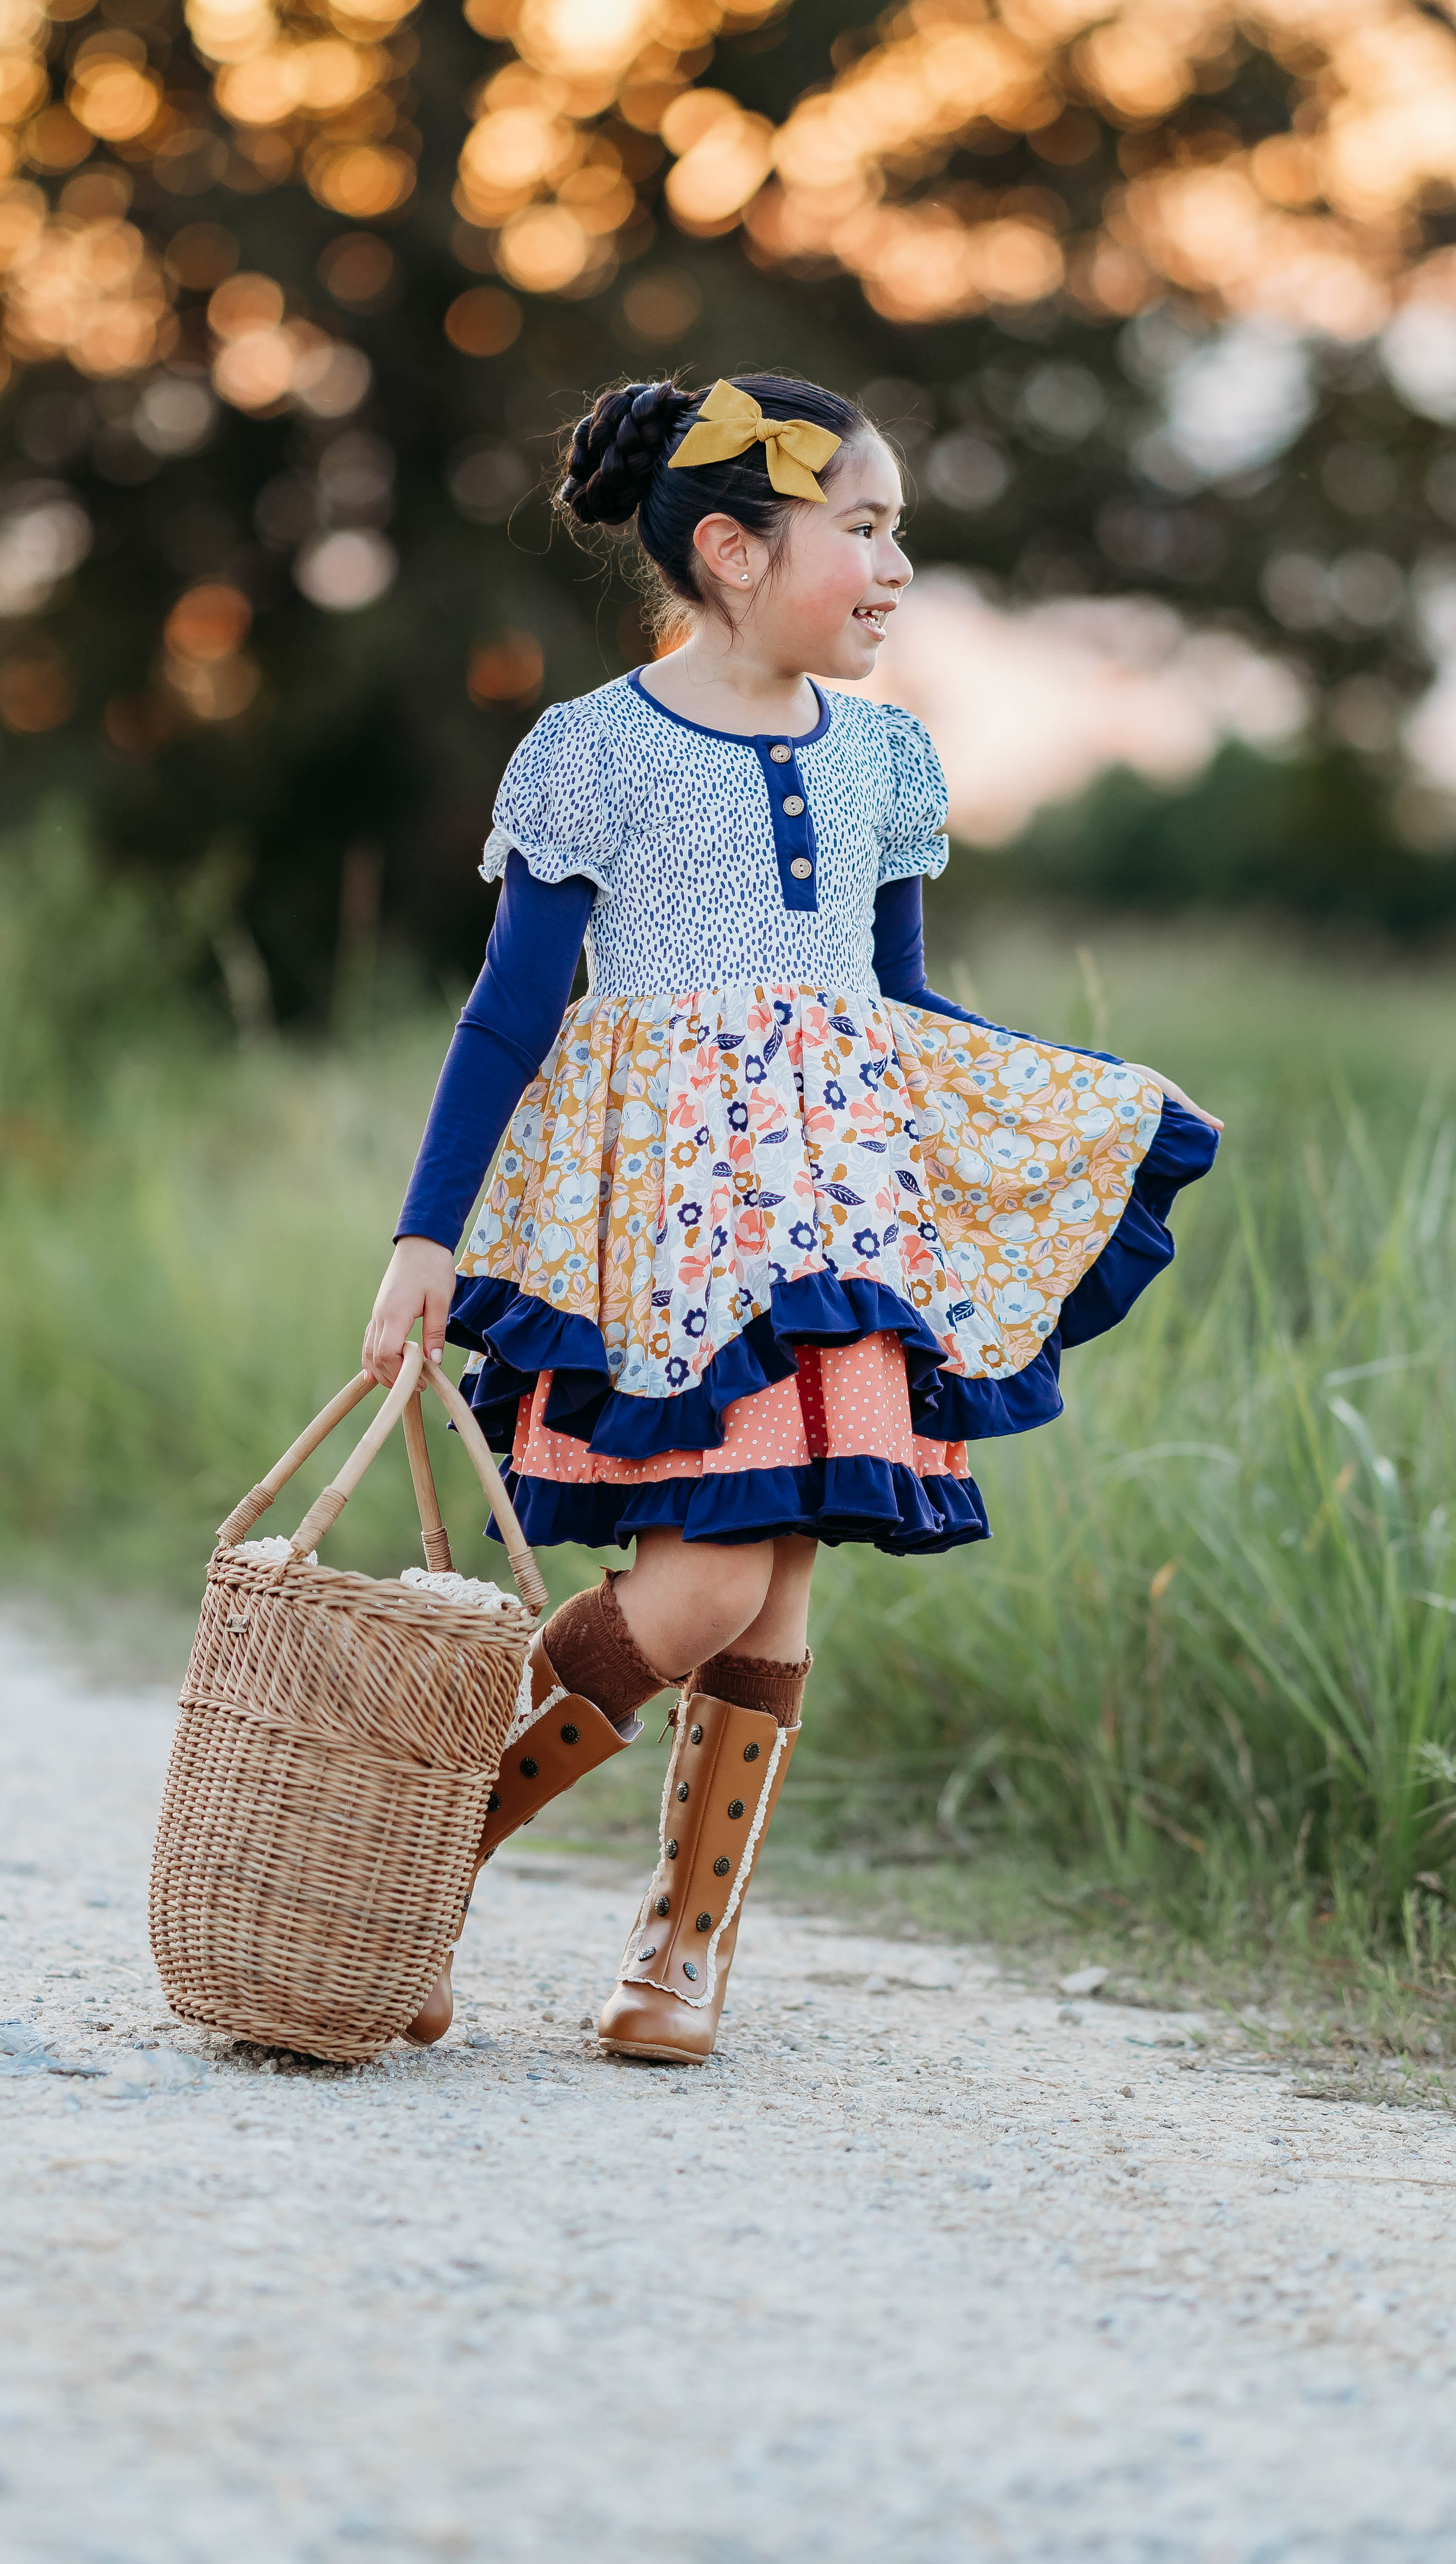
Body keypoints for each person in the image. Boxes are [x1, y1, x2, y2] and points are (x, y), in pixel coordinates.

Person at [364, 374, 1221, 2065]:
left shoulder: (890, 755)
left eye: (901, 532)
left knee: (775, 1588)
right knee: (695, 1593)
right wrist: (426, 1235)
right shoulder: (596, 750)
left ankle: (681, 1949)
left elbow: (894, 1002)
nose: (899, 567)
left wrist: (1084, 1104)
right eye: (869, 529)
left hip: (839, 1217)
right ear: (735, 552)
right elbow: (507, 1015)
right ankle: (412, 1853)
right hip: (671, 1234)